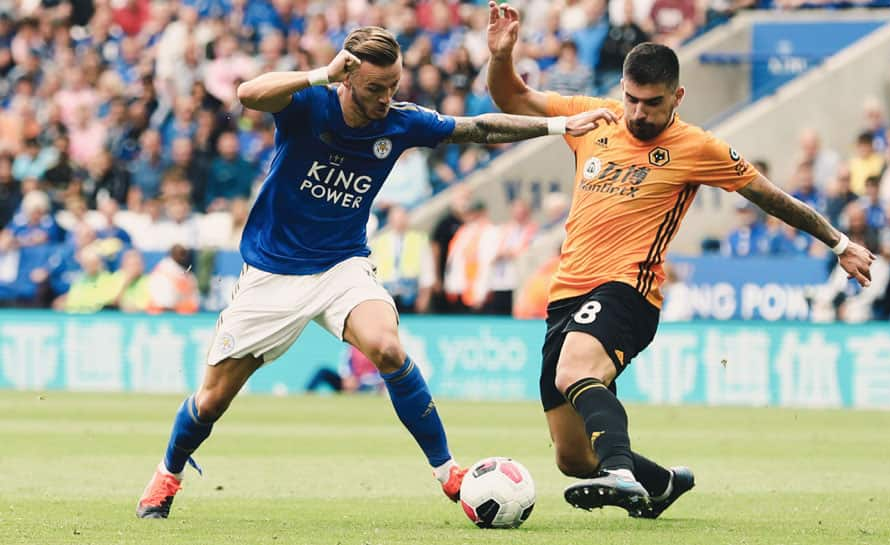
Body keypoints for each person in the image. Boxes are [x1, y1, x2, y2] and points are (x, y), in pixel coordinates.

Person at [135, 26, 616, 519]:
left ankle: (448, 470)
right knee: (212, 400)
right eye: (374, 89)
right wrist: (318, 74)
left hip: (343, 265)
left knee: (387, 347)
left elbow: (477, 127)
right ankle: (166, 475)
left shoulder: (401, 123)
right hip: (274, 271)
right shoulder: (309, 105)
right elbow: (247, 94)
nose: (386, 99)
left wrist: (558, 127)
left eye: (393, 87)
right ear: (346, 77)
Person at [486, 2, 875, 518]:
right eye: (631, 100)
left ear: (678, 97)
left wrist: (839, 244)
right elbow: (512, 95)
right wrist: (500, 57)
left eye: (652, 103)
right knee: (574, 459)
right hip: (567, 296)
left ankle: (621, 472)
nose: (639, 113)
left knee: (575, 370)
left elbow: (772, 196)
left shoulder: (697, 147)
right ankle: (664, 483)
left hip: (629, 291)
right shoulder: (592, 118)